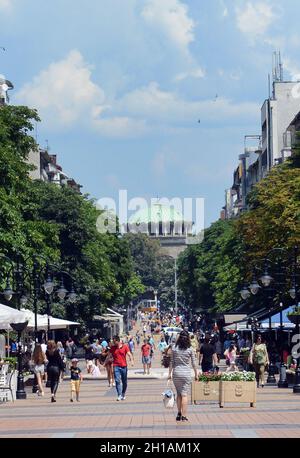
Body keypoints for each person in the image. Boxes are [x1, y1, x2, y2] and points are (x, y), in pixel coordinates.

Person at [168, 330, 198, 422]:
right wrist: (196, 374)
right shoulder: (190, 349)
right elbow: (193, 363)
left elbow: (172, 362)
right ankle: (184, 416)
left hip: (176, 373)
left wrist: (169, 374)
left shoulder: (174, 348)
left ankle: (179, 413)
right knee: (184, 394)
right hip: (186, 373)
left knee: (179, 394)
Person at [109, 335, 134, 401]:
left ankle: (123, 393)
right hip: (116, 366)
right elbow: (109, 356)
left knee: (124, 382)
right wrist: (104, 363)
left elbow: (129, 354)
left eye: (115, 342)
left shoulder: (125, 346)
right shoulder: (113, 348)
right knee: (117, 380)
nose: (114, 343)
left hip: (123, 366)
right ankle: (119, 395)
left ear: (118, 341)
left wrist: (132, 361)